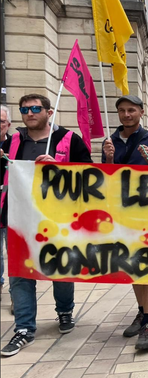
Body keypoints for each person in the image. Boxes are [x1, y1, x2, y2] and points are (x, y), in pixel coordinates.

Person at [0, 94, 93, 356]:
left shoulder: (69, 140)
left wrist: (60, 169)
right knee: (19, 274)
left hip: (58, 219)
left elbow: (89, 174)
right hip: (19, 218)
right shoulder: (14, 140)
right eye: (24, 109)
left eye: (35, 109)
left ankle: (64, 311)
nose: (29, 113)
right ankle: (24, 329)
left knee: (60, 268)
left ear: (49, 112)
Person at [102, 95, 148, 351]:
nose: (126, 114)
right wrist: (108, 160)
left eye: (131, 110)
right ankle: (142, 312)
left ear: (141, 112)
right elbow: (106, 180)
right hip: (122, 214)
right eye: (121, 110)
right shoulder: (110, 142)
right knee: (132, 265)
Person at [0, 104, 10, 301]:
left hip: (10, 207)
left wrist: (6, 158)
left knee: (15, 252)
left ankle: (15, 296)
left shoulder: (14, 145)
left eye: (1, 122)